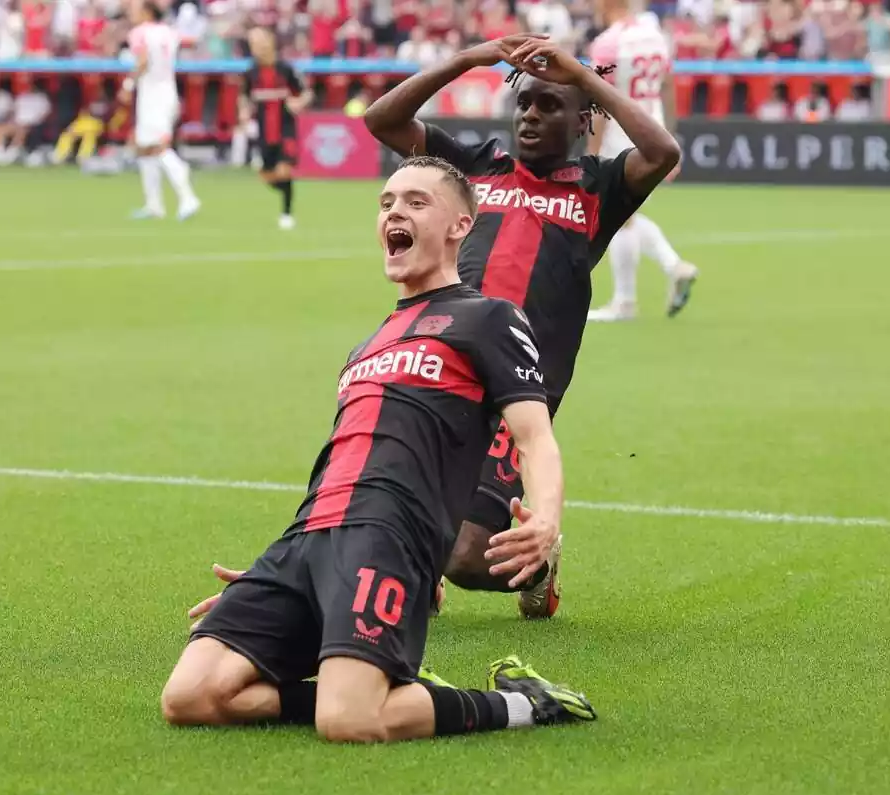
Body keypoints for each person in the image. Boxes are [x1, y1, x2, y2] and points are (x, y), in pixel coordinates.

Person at [188, 33, 681, 623]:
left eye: (550, 106)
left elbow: (662, 151)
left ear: (582, 122)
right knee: (393, 487)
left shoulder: (598, 188)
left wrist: (583, 77)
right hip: (441, 365)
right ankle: (395, 570)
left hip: (516, 386)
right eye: (524, 103)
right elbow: (383, 119)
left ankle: (540, 566)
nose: (530, 114)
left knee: (469, 558)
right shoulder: (475, 168)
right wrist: (469, 59)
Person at [161, 156, 596, 743]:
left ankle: (521, 704)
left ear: (460, 227)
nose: (395, 211)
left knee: (349, 723)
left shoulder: (488, 319)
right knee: (190, 698)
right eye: (387, 202)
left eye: (417, 202)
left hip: (388, 537)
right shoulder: (367, 344)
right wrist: (290, 576)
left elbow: (534, 438)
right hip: (309, 539)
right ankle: (378, 679)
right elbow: (345, 458)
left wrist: (544, 517)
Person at [586, 0, 699, 322]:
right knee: (627, 216)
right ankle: (674, 266)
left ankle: (625, 301)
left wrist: (591, 155)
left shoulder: (608, 43)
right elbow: (667, 86)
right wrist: (671, 137)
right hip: (653, 128)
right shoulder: (654, 35)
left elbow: (601, 102)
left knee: (617, 216)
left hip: (620, 136)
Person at [120, 0, 200, 221]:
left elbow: (143, 60)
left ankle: (187, 195)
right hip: (168, 90)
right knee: (144, 148)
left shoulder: (139, 33)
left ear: (146, 12)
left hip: (152, 93)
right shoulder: (170, 32)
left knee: (158, 147)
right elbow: (191, 41)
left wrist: (128, 85)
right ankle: (154, 204)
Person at [242, 27, 312, 230]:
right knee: (266, 175)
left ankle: (286, 213)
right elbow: (244, 97)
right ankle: (286, 193)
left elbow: (306, 92)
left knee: (284, 170)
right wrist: (244, 111)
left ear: (270, 42)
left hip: (285, 128)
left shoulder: (286, 69)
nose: (256, 47)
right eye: (252, 43)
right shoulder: (250, 73)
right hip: (264, 131)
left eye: (259, 41)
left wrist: (298, 103)